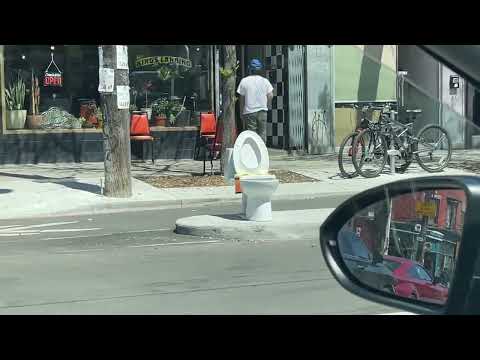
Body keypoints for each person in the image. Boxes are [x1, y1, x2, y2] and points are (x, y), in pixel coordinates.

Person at [236, 59, 274, 143]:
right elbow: (271, 95)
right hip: (262, 111)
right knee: (262, 135)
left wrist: (241, 112)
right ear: (259, 69)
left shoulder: (244, 81)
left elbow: (241, 99)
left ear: (249, 69)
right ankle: (262, 154)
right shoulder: (265, 81)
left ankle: (253, 155)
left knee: (252, 136)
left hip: (249, 112)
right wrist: (266, 105)